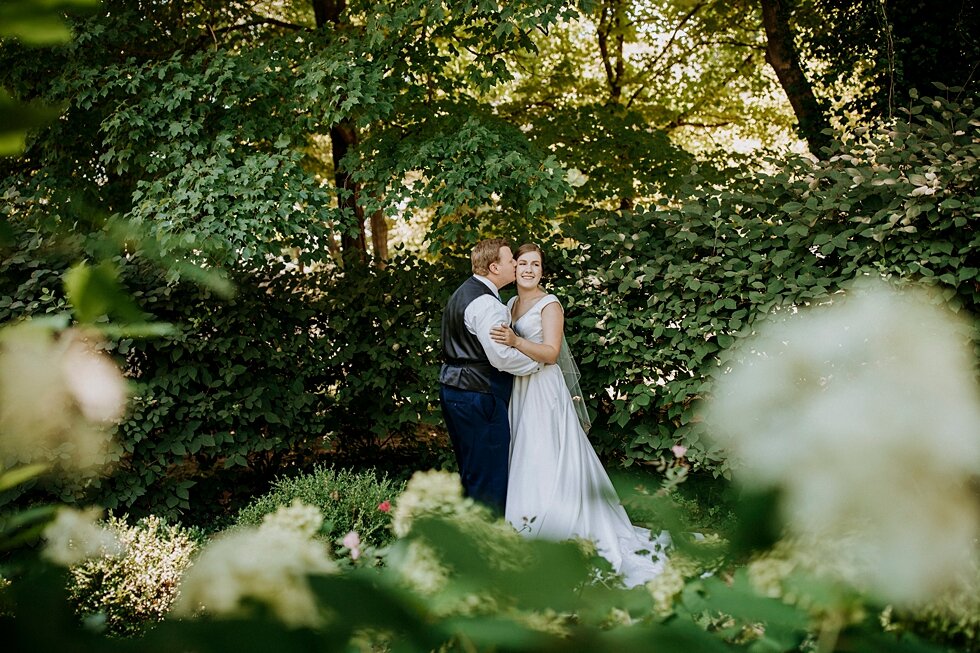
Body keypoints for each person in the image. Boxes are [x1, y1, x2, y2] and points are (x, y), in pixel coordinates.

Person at [490, 243, 669, 587]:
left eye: (535, 264)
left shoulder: (550, 304)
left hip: (543, 389)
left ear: (543, 270)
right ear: (514, 269)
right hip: (520, 389)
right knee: (524, 454)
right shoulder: (511, 303)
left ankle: (559, 528)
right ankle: (525, 527)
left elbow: (552, 352)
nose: (528, 269)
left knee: (545, 453)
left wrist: (514, 341)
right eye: (523, 263)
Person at [439, 238, 542, 514]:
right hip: (479, 395)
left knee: (472, 470)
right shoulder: (487, 305)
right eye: (511, 261)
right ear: (494, 267)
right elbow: (502, 356)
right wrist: (537, 364)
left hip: (455, 389)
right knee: (489, 475)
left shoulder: (463, 293)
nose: (516, 265)